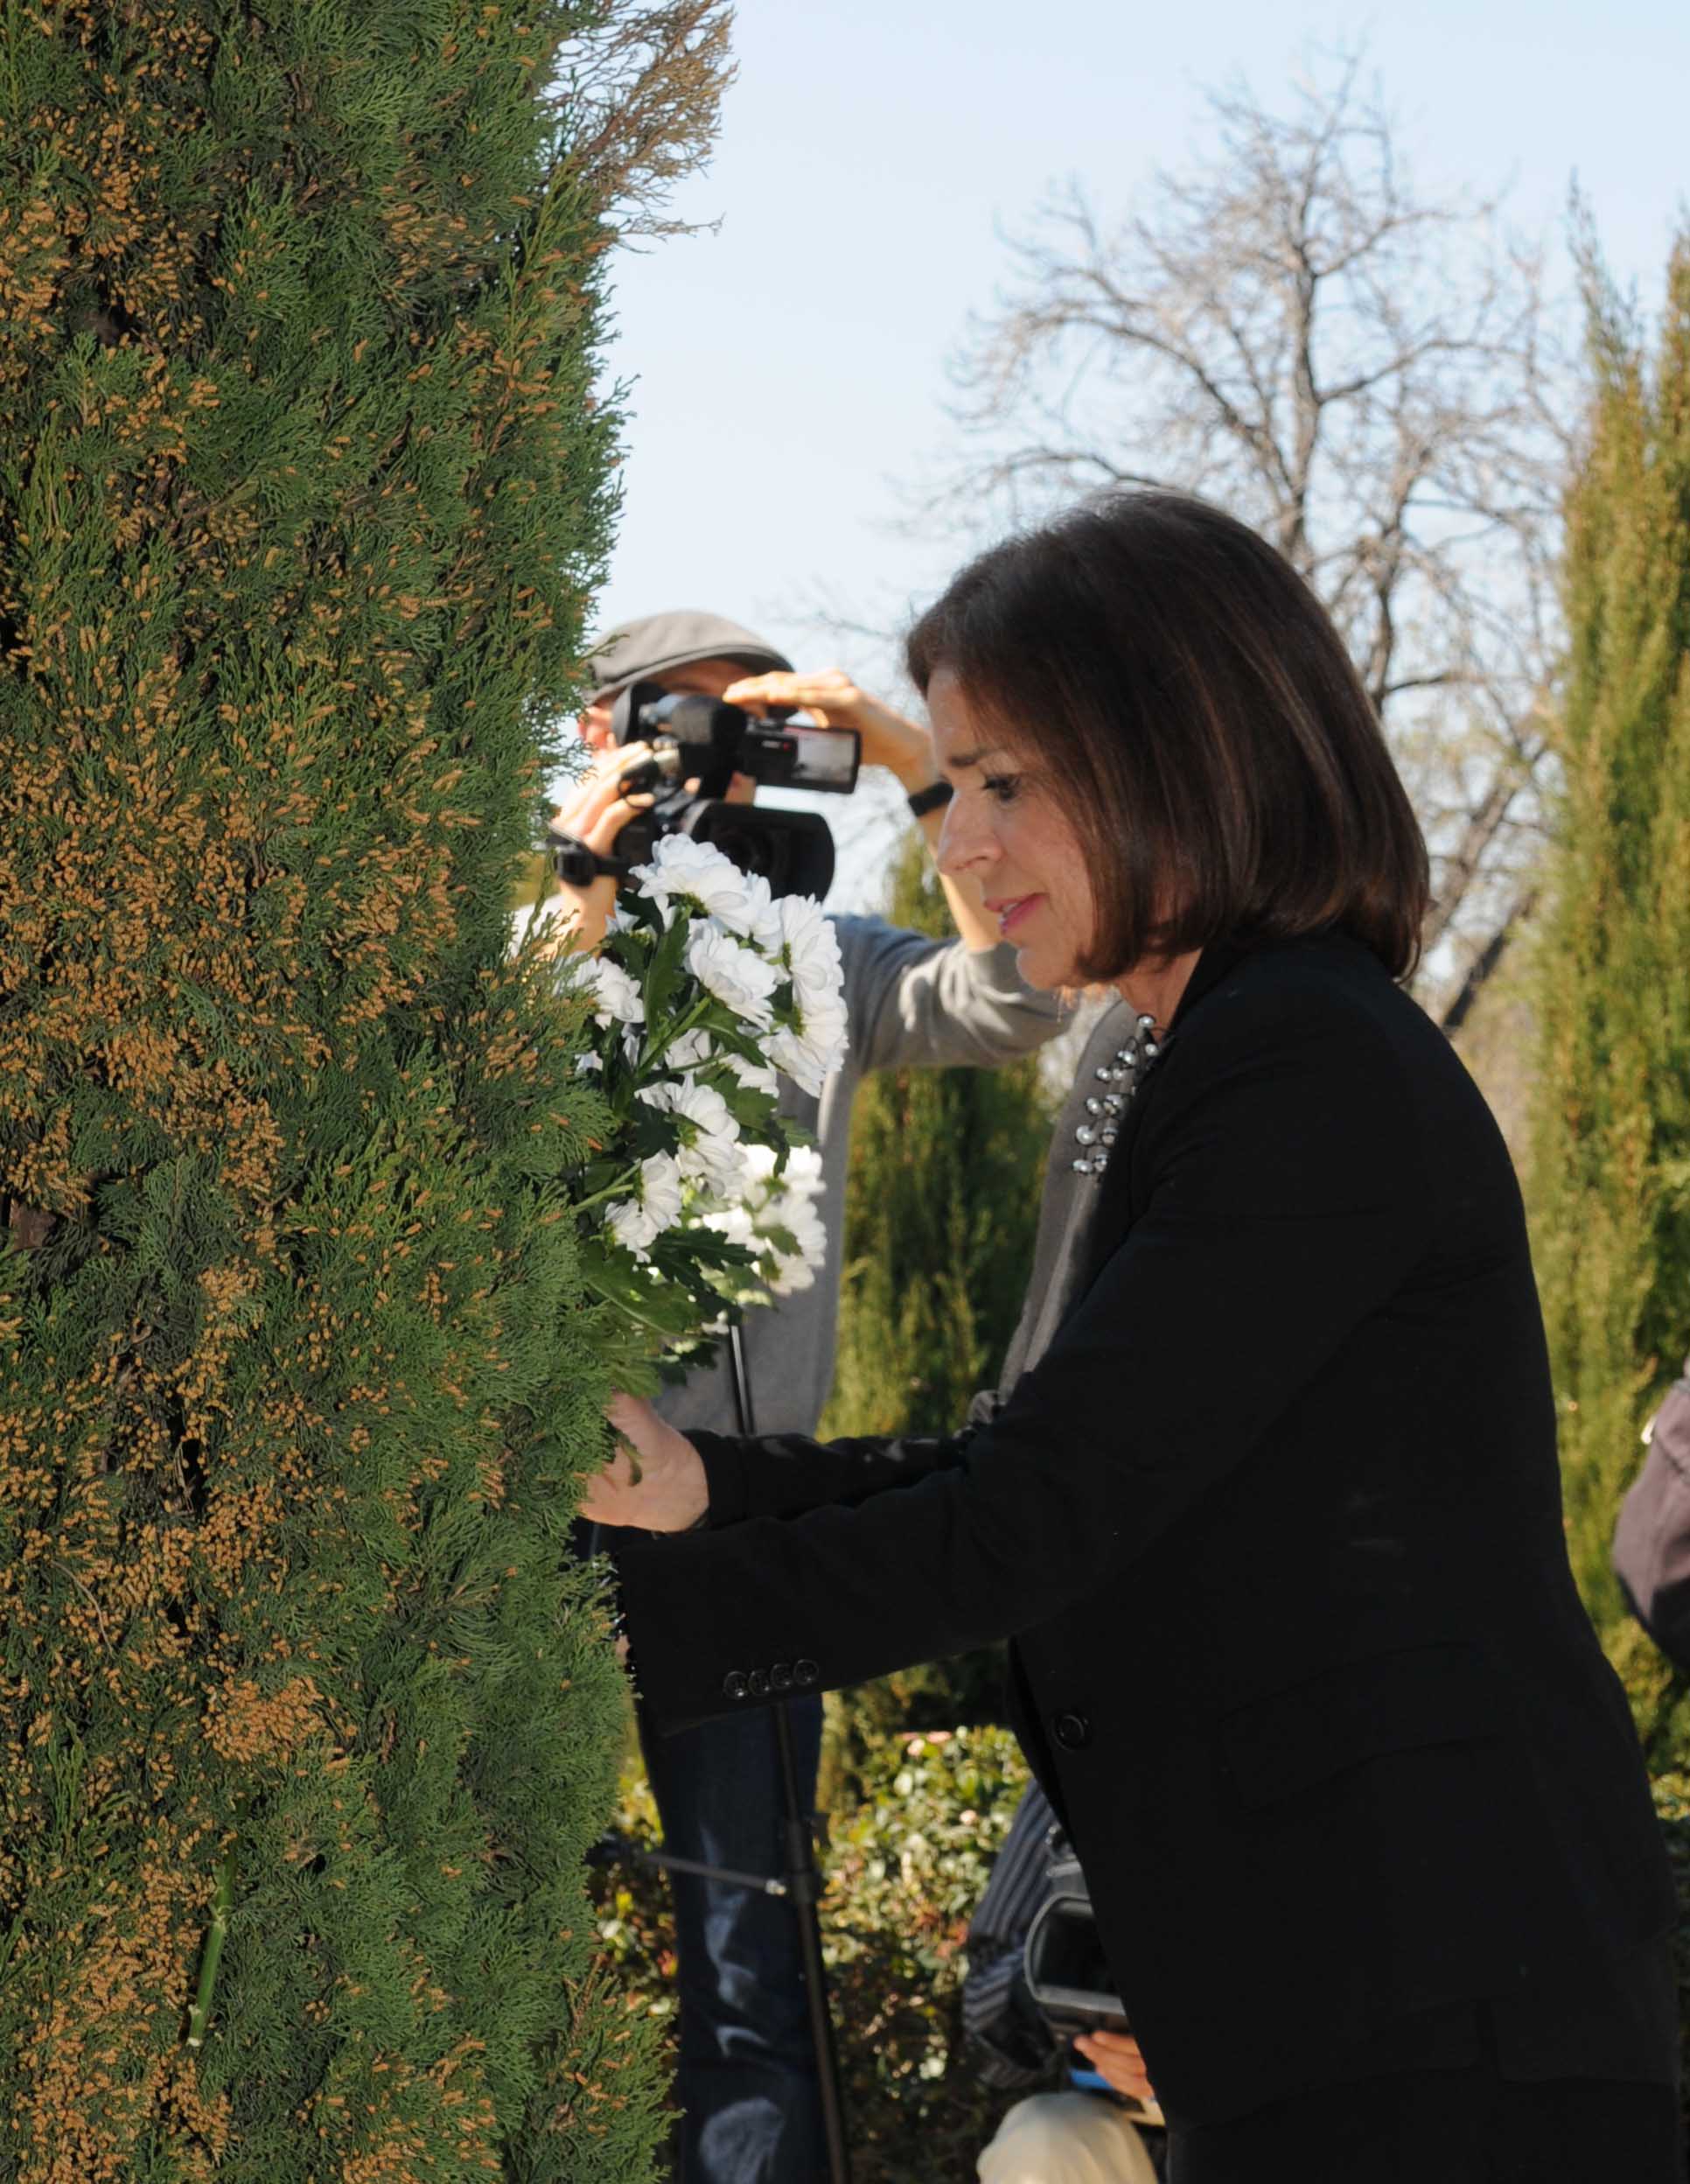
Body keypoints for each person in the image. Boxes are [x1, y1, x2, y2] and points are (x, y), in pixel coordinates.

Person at [585, 495, 1683, 2182]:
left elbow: (1035, 1519)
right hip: (1320, 1993)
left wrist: (583, 1639)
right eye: (951, 789)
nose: (957, 848)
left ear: (1183, 755)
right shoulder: (1184, 1048)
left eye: (1002, 784)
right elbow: (1034, 1457)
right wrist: (704, 1490)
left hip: (1440, 2024)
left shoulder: (1301, 1063)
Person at [551, 611, 1065, 2183]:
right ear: (601, 730)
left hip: (733, 1515)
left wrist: (917, 763)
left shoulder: (813, 959)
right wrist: (572, 898)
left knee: (748, 1946)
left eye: (753, 730)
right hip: (521, 1514)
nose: (718, 761)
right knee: (490, 1912)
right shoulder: (523, 931)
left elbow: (1018, 1000)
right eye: (682, 722)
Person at [965, 1780, 1167, 2184]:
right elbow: (986, 2044)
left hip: (1282, 2128)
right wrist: (1062, 1982)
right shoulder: (1081, 1761)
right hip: (1132, 2150)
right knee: (1042, 2145)